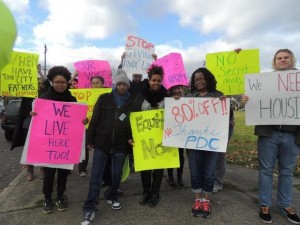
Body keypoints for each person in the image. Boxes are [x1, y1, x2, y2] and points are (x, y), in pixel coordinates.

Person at [242, 49, 300, 224]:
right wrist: (247, 100)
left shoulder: (298, 80)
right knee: (266, 171)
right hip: (269, 133)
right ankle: (265, 204)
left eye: (286, 57)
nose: (282, 60)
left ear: (292, 60)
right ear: (274, 62)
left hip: (292, 134)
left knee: (287, 172)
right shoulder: (263, 82)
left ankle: (285, 204)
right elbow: (255, 102)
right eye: (279, 58)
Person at [81, 69, 133, 225]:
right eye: (120, 83)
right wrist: (89, 140)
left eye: (125, 84)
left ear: (128, 86)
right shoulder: (104, 98)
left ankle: (111, 195)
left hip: (120, 145)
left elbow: (133, 124)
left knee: (116, 176)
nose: (122, 87)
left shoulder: (132, 102)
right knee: (96, 177)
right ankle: (89, 208)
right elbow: (95, 119)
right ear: (115, 84)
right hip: (101, 144)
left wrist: (131, 138)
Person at [31, 66, 80, 214]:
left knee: (63, 173)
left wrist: (83, 121)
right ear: (52, 82)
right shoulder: (44, 98)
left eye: (63, 82)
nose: (60, 84)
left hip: (65, 144)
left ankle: (60, 196)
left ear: (67, 83)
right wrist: (33, 114)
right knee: (49, 173)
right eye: (57, 82)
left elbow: (77, 120)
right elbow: (37, 120)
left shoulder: (72, 99)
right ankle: (47, 198)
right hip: (49, 144)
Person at [186, 67, 225, 219]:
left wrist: (225, 105)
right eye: (196, 80)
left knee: (209, 172)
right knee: (195, 171)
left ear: (208, 79)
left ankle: (206, 200)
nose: (198, 82)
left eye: (201, 78)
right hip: (192, 142)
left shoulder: (219, 96)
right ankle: (197, 200)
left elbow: (227, 118)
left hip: (212, 142)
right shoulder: (188, 97)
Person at [133, 65, 168, 207]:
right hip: (144, 137)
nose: (156, 83)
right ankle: (146, 191)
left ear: (162, 81)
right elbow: (133, 116)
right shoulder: (140, 96)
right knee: (145, 166)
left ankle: (155, 192)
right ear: (149, 80)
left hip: (161, 137)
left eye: (159, 81)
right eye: (153, 80)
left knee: (159, 166)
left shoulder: (168, 96)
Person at [78, 76, 105, 177]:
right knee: (85, 148)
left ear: (103, 84)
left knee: (100, 149)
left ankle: (101, 170)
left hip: (101, 127)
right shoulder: (85, 95)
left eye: (97, 83)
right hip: (87, 125)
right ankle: (82, 169)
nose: (95, 85)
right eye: (93, 83)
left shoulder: (108, 95)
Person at [166, 85, 185, 187]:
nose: (177, 90)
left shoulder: (188, 99)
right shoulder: (168, 100)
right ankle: (170, 177)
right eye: (175, 89)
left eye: (179, 88)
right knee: (171, 155)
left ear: (182, 89)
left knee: (180, 156)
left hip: (182, 133)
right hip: (170, 132)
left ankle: (179, 177)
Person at [213, 105, 235, 192]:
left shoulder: (224, 96)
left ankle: (218, 182)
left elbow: (231, 120)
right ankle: (210, 180)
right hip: (209, 124)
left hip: (225, 125)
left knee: (220, 156)